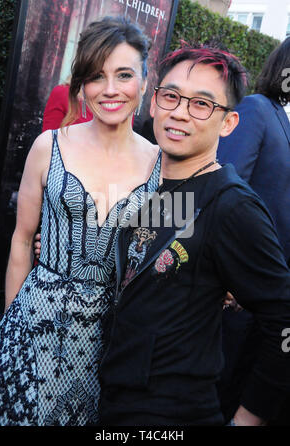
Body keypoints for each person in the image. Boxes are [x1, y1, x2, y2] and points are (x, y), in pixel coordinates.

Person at [98, 43, 290, 426]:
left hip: (172, 413)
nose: (180, 113)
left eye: (202, 104)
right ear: (153, 103)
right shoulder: (152, 187)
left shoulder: (232, 206)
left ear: (228, 123)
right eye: (171, 96)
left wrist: (248, 420)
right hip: (113, 401)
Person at [0, 16, 161, 426]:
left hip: (111, 343)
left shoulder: (161, 165)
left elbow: (161, 252)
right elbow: (21, 241)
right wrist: (13, 333)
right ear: (82, 84)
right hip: (32, 328)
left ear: (144, 79)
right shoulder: (48, 147)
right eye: (96, 76)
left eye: (124, 75)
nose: (111, 90)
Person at [216, 37, 290, 423]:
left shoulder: (284, 118)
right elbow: (228, 185)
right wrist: (229, 270)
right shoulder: (258, 109)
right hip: (240, 289)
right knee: (223, 391)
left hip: (270, 297)